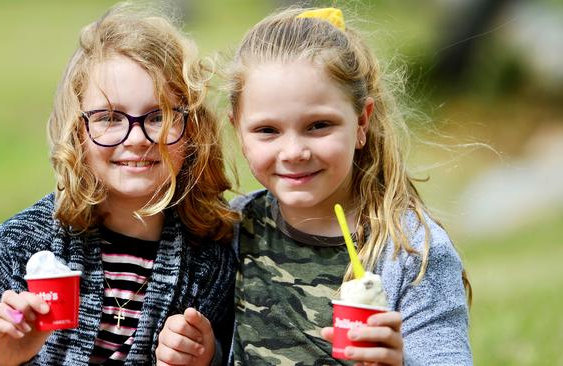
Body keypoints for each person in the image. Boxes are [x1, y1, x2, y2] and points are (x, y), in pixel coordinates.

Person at [160, 6, 473, 366]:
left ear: (361, 122)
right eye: (267, 131)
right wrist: (206, 355)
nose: (294, 152)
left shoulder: (412, 253)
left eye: (318, 125)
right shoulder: (235, 230)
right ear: (239, 132)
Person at [0, 3, 237, 365]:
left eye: (159, 115)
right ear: (77, 132)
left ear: (192, 127)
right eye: (110, 118)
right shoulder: (18, 245)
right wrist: (2, 360)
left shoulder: (210, 260)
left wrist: (208, 357)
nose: (136, 138)